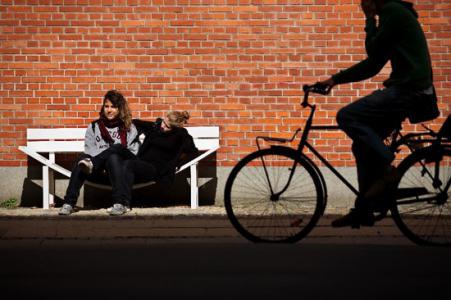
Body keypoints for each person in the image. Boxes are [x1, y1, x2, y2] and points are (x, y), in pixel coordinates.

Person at [317, 0, 439, 227]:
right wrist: (335, 79)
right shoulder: (393, 15)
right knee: (361, 145)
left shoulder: (393, 12)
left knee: (346, 116)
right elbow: (373, 65)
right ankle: (364, 209)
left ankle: (387, 165)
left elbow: (372, 50)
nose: (362, 2)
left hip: (409, 91)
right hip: (409, 89)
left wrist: (369, 18)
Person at [58, 90, 139, 215]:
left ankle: (119, 204)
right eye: (106, 106)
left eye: (113, 107)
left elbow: (132, 153)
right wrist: (102, 160)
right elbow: (89, 150)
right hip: (98, 169)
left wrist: (108, 156)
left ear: (120, 109)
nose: (109, 110)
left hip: (119, 168)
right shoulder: (94, 127)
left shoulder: (128, 127)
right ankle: (69, 203)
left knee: (114, 152)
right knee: (82, 158)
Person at [110, 111, 198, 215]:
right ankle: (93, 162)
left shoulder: (181, 135)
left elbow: (193, 152)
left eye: (167, 126)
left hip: (156, 169)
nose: (163, 126)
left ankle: (124, 203)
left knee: (129, 164)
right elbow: (136, 122)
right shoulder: (155, 127)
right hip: (141, 161)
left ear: (175, 128)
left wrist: (178, 163)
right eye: (163, 122)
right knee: (117, 148)